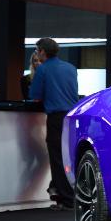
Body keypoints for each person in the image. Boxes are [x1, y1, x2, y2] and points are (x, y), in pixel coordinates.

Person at [30, 38, 79, 210]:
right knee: (70, 158)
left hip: (56, 118)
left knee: (58, 159)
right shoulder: (71, 68)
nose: (36, 54)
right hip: (72, 118)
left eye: (37, 50)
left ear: (43, 51)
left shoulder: (43, 69)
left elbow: (34, 94)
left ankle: (67, 200)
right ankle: (73, 196)